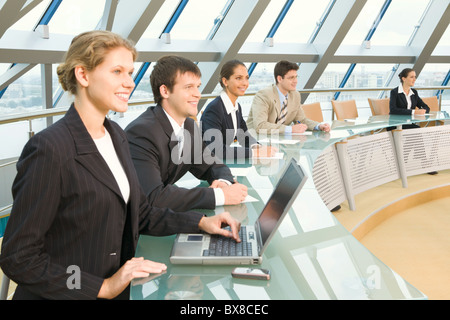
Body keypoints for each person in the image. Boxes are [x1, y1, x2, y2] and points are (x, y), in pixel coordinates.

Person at [0, 31, 240, 300]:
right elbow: (19, 258)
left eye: (130, 72)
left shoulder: (115, 135)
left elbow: (141, 213)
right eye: (117, 71)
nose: (129, 82)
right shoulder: (50, 149)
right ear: (83, 75)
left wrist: (201, 222)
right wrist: (101, 287)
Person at [125, 55, 248, 212]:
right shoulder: (141, 133)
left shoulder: (189, 126)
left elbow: (212, 164)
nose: (198, 94)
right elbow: (153, 197)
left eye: (197, 86)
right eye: (189, 87)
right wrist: (219, 196)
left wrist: (223, 182)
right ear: (165, 91)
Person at [201, 59, 276, 159]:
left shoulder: (236, 107)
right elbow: (217, 150)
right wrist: (255, 153)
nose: (245, 83)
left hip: (221, 163)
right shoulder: (214, 109)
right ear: (225, 81)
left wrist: (257, 147)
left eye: (246, 78)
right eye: (238, 78)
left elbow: (243, 135)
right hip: (208, 165)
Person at [246, 60, 330, 134]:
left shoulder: (295, 95)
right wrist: (290, 129)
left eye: (296, 77)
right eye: (291, 78)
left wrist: (319, 126)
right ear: (279, 79)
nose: (295, 81)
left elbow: (301, 120)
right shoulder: (264, 95)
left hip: (279, 140)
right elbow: (260, 126)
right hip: (256, 139)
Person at [389, 68, 436, 175]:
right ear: (403, 78)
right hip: (396, 124)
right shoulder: (394, 92)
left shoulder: (414, 92)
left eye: (415, 77)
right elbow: (393, 110)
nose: (414, 79)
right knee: (416, 131)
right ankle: (424, 164)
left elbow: (425, 106)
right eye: (412, 77)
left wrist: (423, 110)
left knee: (414, 133)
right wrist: (414, 112)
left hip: (408, 124)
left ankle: (402, 162)